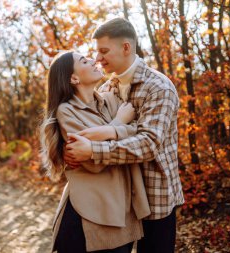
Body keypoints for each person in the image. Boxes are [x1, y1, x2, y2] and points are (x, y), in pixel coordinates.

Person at [64, 18, 185, 253]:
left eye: (104, 51)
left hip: (154, 198)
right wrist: (69, 150)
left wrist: (92, 150)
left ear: (126, 48)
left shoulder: (159, 87)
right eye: (96, 52)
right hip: (119, 201)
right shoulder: (106, 88)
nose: (98, 58)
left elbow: (149, 144)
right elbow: (85, 126)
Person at [40, 51, 150, 253]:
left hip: (122, 209)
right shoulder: (67, 110)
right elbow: (94, 162)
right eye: (83, 60)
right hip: (89, 213)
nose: (93, 60)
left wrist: (108, 133)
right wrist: (119, 123)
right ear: (74, 78)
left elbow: (137, 131)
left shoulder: (110, 100)